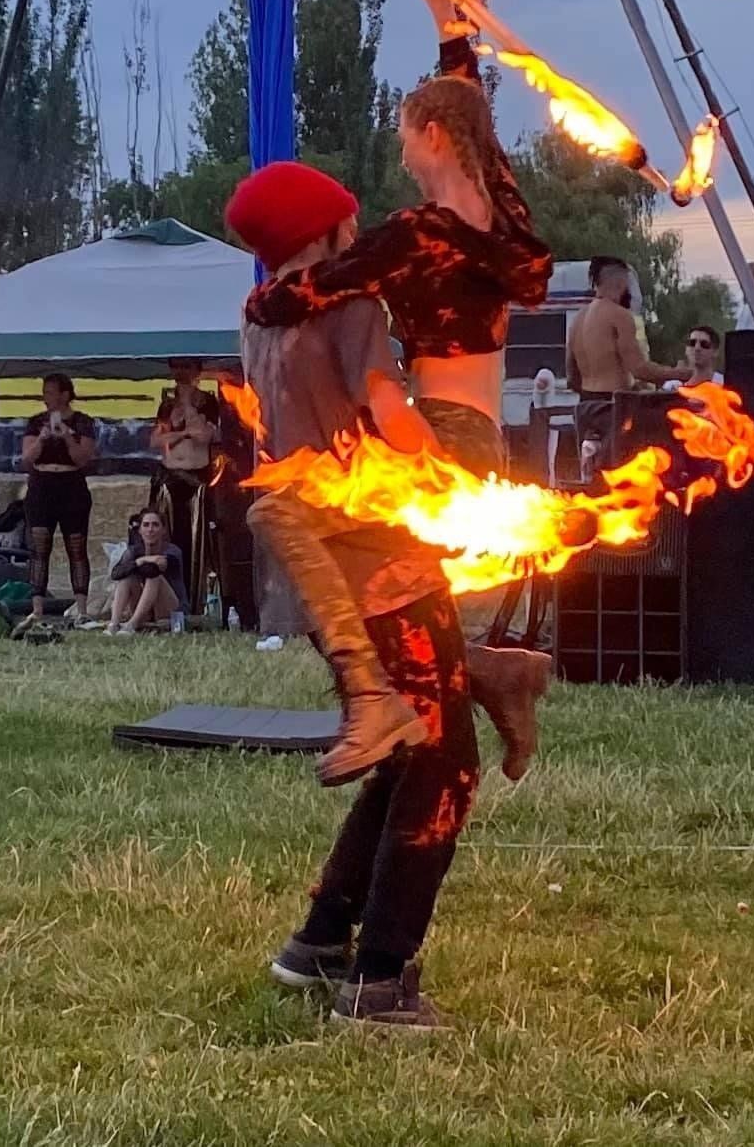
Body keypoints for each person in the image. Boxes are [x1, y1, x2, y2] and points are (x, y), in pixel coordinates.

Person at [235, 0, 553, 784]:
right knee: (399, 595)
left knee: (296, 524)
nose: (401, 150)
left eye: (408, 134)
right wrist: (447, 22)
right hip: (483, 431)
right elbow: (478, 127)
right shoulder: (505, 223)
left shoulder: (415, 235)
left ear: (433, 137)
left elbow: (323, 283)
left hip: (439, 437)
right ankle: (498, 674)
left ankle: (379, 697)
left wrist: (268, 305)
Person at [237, 160, 478, 1030]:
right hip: (384, 567)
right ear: (326, 230)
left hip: (318, 577)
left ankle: (318, 943)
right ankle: (380, 981)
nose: (359, 225)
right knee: (446, 769)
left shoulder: (260, 318)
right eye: (348, 217)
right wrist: (456, 477)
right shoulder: (350, 307)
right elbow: (388, 413)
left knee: (408, 752)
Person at [567, 257, 691, 477]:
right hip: (614, 405)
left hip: (586, 405)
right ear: (622, 283)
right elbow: (639, 368)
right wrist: (679, 373)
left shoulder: (578, 319)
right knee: (627, 473)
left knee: (593, 478)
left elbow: (571, 376)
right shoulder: (620, 316)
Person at [21, 373, 97, 622]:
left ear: (65, 395)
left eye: (50, 392)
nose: (46, 398)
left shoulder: (83, 422)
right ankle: (37, 609)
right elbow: (26, 458)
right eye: (44, 392)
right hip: (42, 485)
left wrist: (66, 436)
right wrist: (43, 439)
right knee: (39, 547)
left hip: (71, 484)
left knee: (76, 546)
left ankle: (82, 610)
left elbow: (82, 458)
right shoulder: (35, 423)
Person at [149, 357, 219, 605]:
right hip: (169, 478)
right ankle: (166, 600)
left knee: (195, 542)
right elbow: (156, 441)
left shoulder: (207, 402)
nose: (180, 372)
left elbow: (204, 437)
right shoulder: (166, 406)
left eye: (186, 366)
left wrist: (188, 403)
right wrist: (183, 432)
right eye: (176, 366)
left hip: (196, 481)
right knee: (167, 539)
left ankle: (196, 599)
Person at [107, 507, 187, 634]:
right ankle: (114, 624)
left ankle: (131, 625)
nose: (150, 530)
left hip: (168, 608)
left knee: (154, 577)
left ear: (163, 530)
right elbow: (116, 573)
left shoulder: (173, 551)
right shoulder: (133, 551)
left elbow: (153, 569)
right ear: (140, 530)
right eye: (146, 525)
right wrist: (141, 560)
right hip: (145, 608)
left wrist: (142, 562)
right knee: (127, 577)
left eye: (155, 525)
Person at [665, 325, 724, 391]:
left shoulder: (724, 384)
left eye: (704, 344)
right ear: (686, 349)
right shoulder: (671, 387)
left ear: (715, 351)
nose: (697, 348)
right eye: (692, 343)